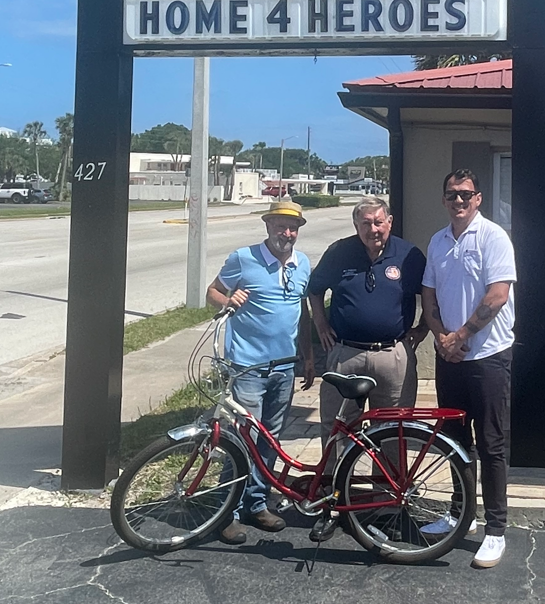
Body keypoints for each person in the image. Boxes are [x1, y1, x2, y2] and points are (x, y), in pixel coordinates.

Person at [308, 196, 428, 540]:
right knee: (335, 430)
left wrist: (424, 328)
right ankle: (332, 502)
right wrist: (320, 324)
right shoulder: (339, 252)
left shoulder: (408, 255)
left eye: (378, 222)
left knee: (394, 432)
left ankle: (388, 504)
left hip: (393, 356)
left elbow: (432, 293)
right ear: (356, 226)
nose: (372, 229)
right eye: (365, 223)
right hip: (345, 354)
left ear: (389, 222)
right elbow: (315, 290)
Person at [421, 169, 516, 569]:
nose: (458, 201)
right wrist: (443, 338)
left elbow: (497, 296)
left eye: (466, 195)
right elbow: (428, 296)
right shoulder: (438, 241)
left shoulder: (494, 237)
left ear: (478, 198)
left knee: (491, 445)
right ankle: (461, 514)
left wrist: (460, 335)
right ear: (444, 200)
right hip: (451, 359)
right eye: (451, 195)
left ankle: (495, 530)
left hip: (488, 359)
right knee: (456, 442)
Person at [206, 200, 315, 545]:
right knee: (243, 440)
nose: (287, 233)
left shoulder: (303, 264)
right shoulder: (243, 258)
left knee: (270, 439)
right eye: (281, 226)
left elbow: (302, 314)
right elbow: (212, 292)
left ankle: (256, 503)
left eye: (293, 227)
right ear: (268, 226)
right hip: (248, 367)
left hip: (284, 367)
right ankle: (228, 513)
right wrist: (227, 302)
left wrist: (308, 357)